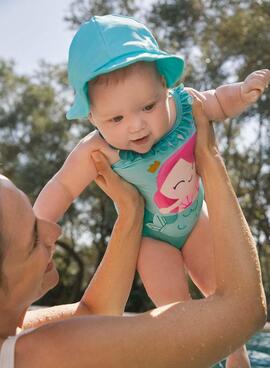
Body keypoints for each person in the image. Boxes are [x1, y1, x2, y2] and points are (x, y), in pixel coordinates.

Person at [33, 15, 270, 367]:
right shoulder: (98, 150)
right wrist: (37, 227)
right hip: (150, 240)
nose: (136, 125)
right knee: (177, 309)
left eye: (148, 106)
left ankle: (238, 353)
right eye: (116, 119)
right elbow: (63, 186)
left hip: (194, 220)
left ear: (165, 86)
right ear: (92, 118)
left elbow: (218, 101)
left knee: (220, 288)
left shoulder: (187, 107)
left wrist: (242, 92)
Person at [0, 100, 266, 367]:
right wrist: (209, 158)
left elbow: (92, 314)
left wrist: (131, 210)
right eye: (33, 238)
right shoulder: (38, 356)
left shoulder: (12, 338)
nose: (54, 230)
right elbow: (245, 310)